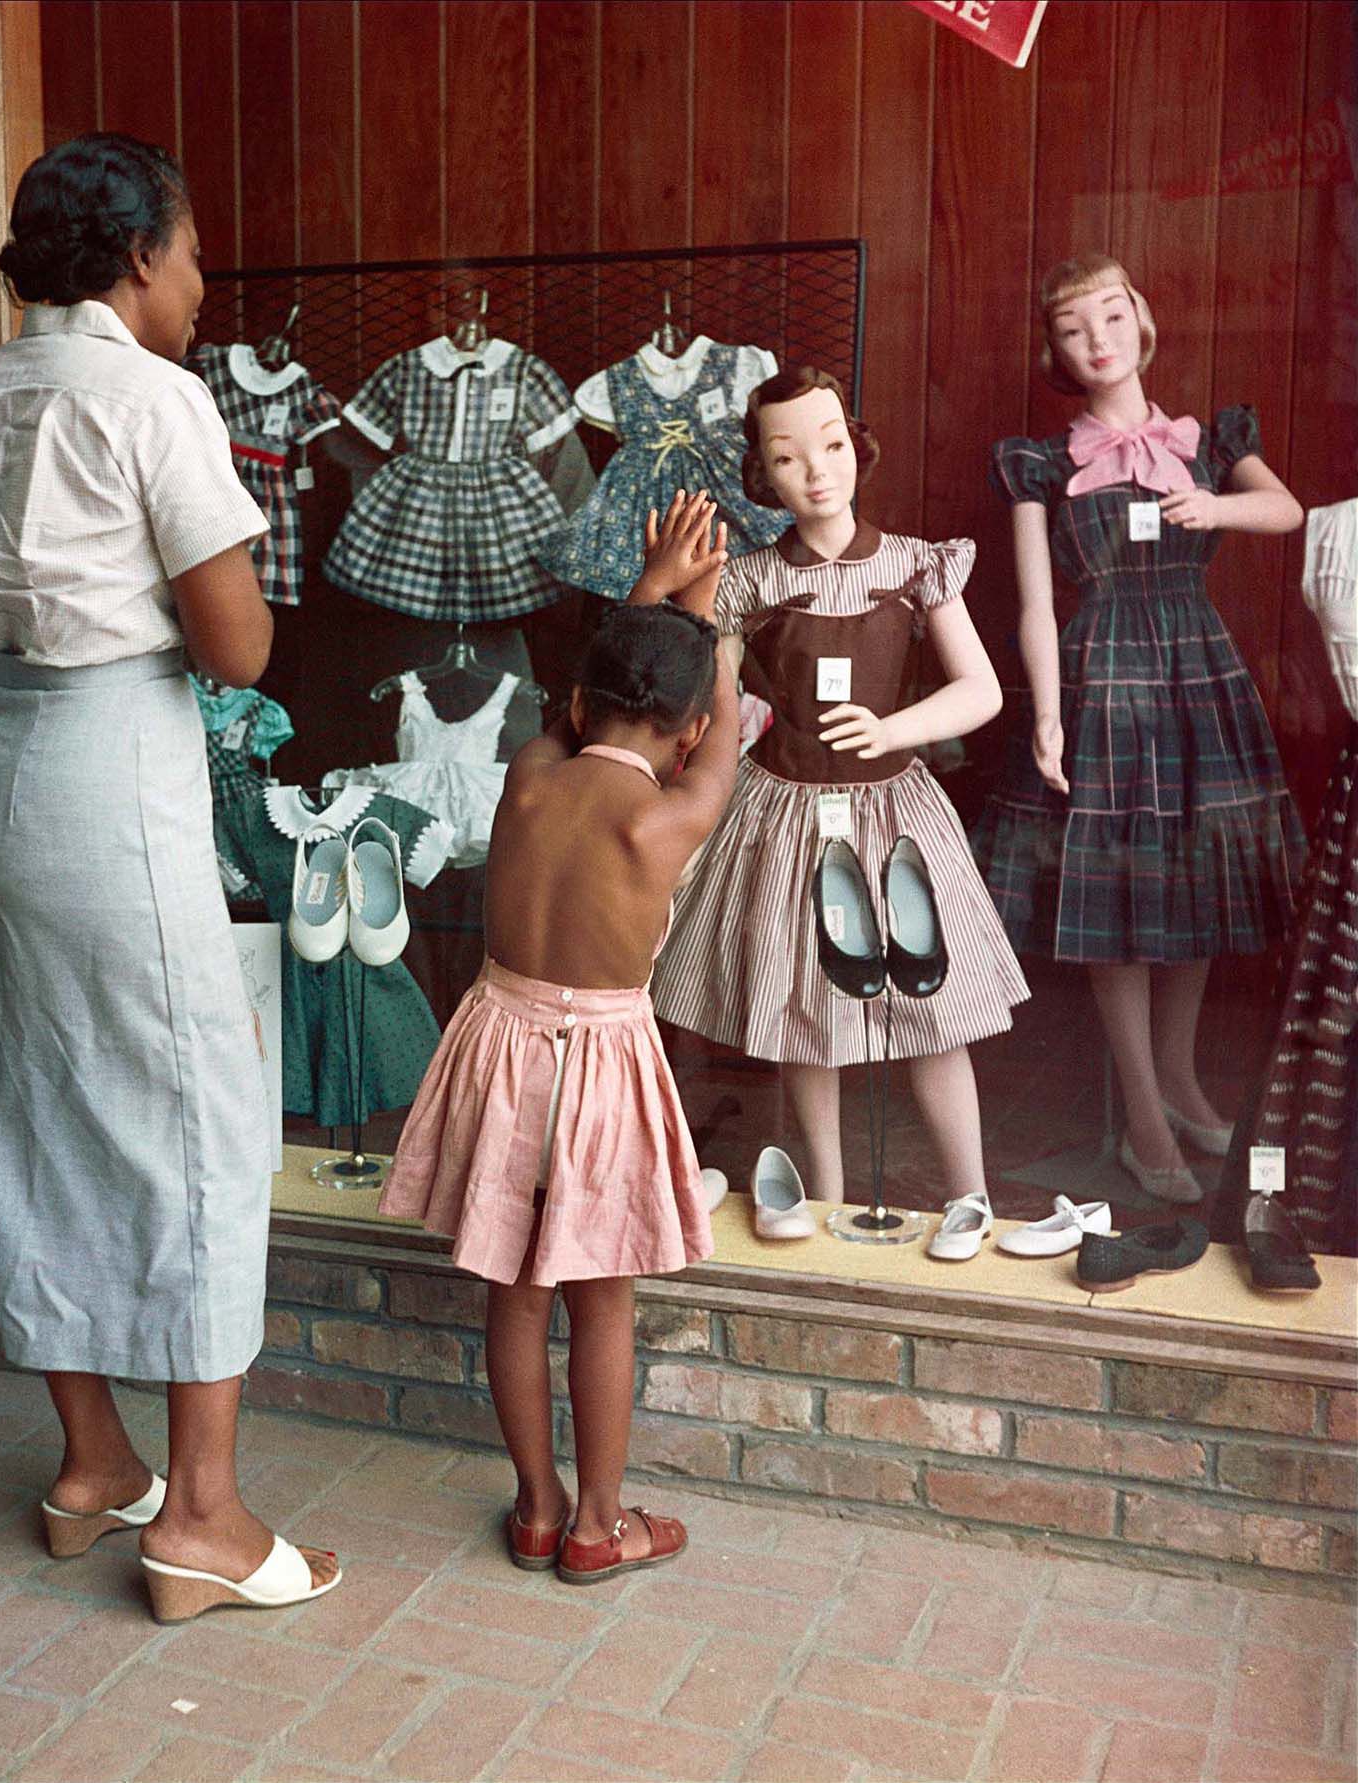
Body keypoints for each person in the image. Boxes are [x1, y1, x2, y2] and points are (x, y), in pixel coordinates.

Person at [0, 133, 338, 1624]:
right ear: (140, 253)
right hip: (105, 767)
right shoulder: (155, 399)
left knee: (24, 1094)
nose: (208, 285)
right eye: (198, 251)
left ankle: (93, 1459)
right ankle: (203, 1514)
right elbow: (238, 650)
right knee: (199, 1114)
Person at [380, 492, 738, 1584]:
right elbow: (719, 729)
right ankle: (597, 1521)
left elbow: (580, 702)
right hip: (601, 1061)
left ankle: (533, 1508)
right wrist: (708, 618)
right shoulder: (670, 812)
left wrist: (654, 593)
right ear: (680, 735)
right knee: (602, 1297)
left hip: (498, 1037)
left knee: (514, 1291)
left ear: (581, 700)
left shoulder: (531, 778)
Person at [650, 368, 1027, 1215]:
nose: (817, 471)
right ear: (765, 476)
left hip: (893, 806)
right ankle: (823, 1193)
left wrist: (894, 729)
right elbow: (700, 703)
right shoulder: (746, 581)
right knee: (804, 1002)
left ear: (856, 445)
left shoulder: (914, 565)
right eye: (788, 458)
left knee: (934, 1003)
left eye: (830, 446)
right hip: (787, 807)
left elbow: (982, 690)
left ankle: (973, 1195)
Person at [971, 254, 1304, 1204]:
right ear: (1057, 351)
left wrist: (1216, 503)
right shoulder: (1039, 461)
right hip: (1101, 676)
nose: (1098, 342)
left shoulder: (1208, 438)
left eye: (1111, 319)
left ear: (1140, 319)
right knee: (1116, 890)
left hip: (1196, 666)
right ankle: (1144, 1120)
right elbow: (1037, 605)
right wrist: (1044, 712)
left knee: (1192, 876)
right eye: (1075, 330)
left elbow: (1284, 510)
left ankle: (1183, 1080)